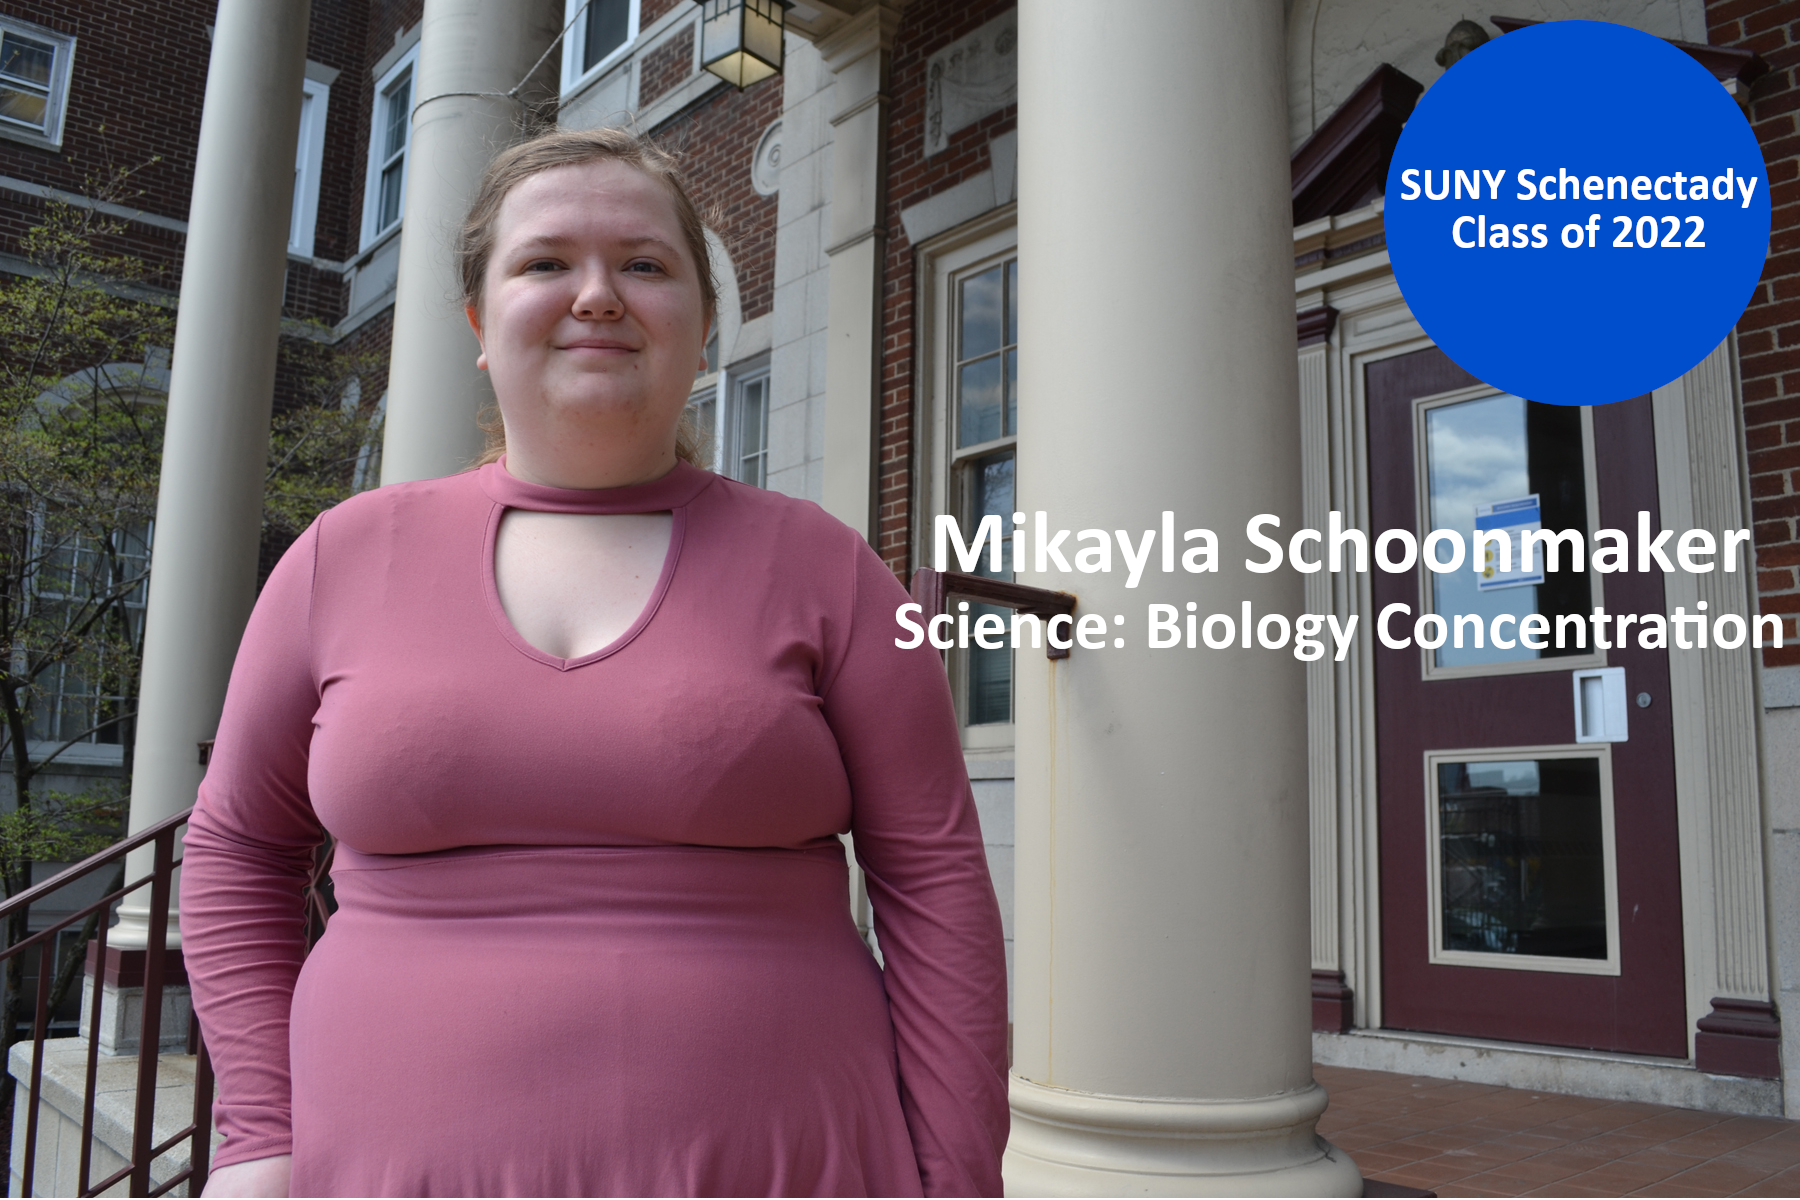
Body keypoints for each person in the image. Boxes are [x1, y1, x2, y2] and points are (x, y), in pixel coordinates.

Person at [181, 127, 1009, 1198]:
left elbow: (935, 883)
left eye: (646, 265)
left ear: (704, 327)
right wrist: (256, 1135)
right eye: (546, 263)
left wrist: (955, 1176)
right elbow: (239, 849)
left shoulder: (826, 568)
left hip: (793, 1160)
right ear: (480, 321)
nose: (598, 295)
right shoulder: (343, 557)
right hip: (384, 1168)